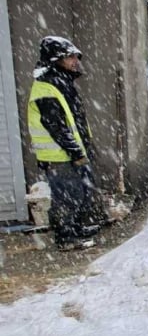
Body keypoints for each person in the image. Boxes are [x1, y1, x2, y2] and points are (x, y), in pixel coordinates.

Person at [27, 36, 104, 250]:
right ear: (55, 59)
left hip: (74, 151)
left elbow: (73, 120)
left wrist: (83, 148)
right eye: (69, 57)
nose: (74, 61)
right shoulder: (46, 87)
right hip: (59, 156)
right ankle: (65, 238)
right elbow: (57, 126)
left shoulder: (63, 82)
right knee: (67, 197)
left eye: (74, 56)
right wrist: (75, 151)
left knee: (83, 192)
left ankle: (76, 228)